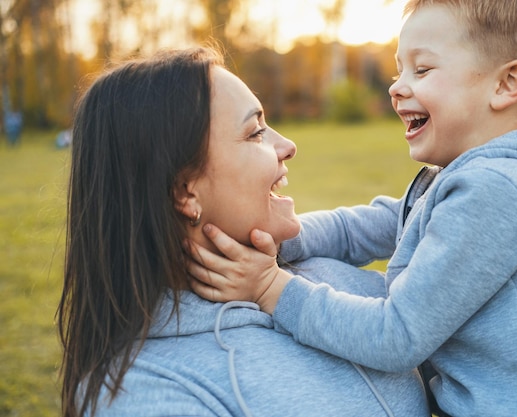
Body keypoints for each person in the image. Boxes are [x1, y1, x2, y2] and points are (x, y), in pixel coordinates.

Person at [186, 1, 517, 416]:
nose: (397, 87)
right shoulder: (470, 180)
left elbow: (396, 335)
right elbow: (364, 227)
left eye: (422, 68)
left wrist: (270, 288)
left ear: (506, 83)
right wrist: (276, 236)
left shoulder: (499, 192)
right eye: (400, 70)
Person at [56, 46, 432, 417]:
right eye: (255, 133)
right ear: (185, 192)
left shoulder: (319, 276)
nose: (287, 145)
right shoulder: (148, 393)